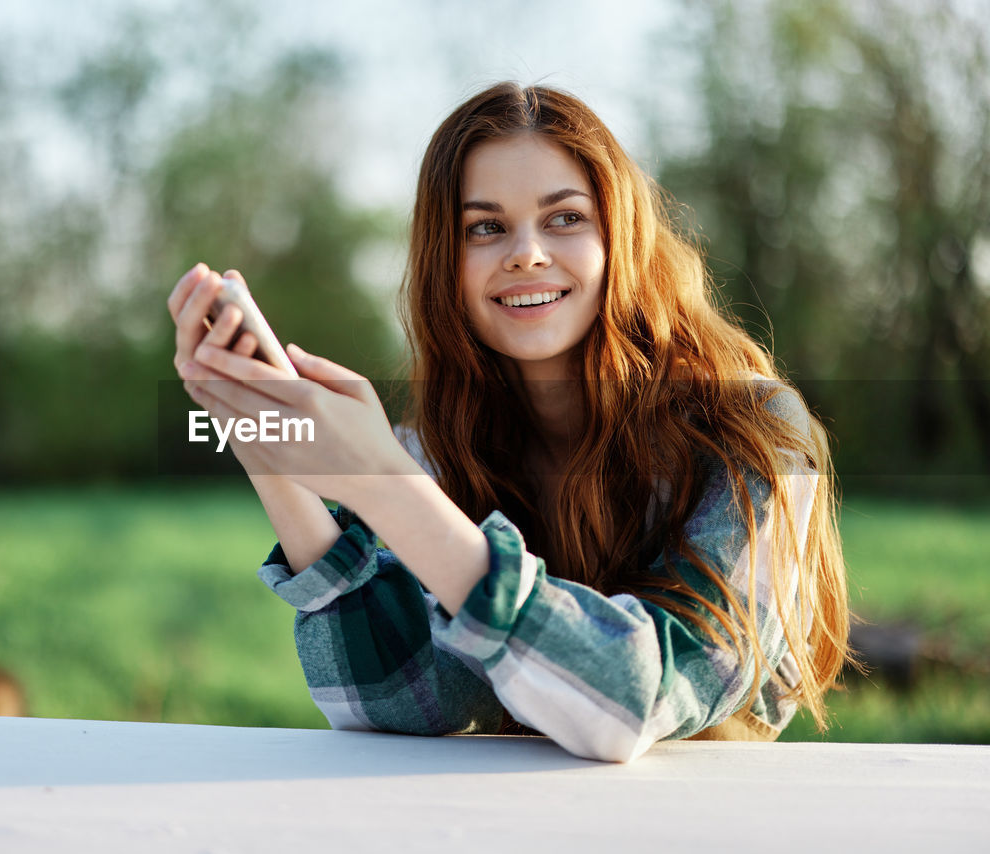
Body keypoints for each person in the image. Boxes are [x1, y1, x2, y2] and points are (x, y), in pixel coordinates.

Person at [166, 82, 853, 762]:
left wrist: (386, 484)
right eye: (485, 228)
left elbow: (637, 699)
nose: (525, 252)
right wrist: (262, 439)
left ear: (621, 240)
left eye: (564, 219)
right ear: (447, 262)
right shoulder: (437, 442)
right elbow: (404, 698)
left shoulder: (752, 431)